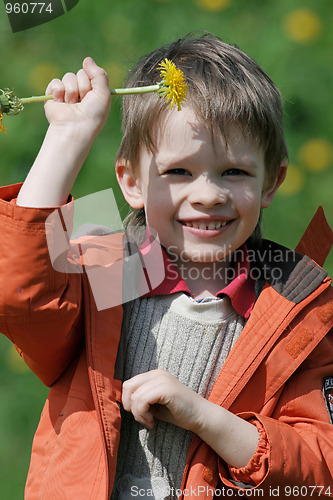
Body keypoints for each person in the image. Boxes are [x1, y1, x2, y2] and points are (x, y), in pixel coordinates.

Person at [0, 33, 332, 500]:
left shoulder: (295, 301)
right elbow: (20, 296)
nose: (208, 194)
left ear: (272, 182)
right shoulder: (106, 252)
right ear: (131, 182)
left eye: (234, 172)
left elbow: (318, 473)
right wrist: (67, 139)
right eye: (179, 172)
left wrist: (205, 417)